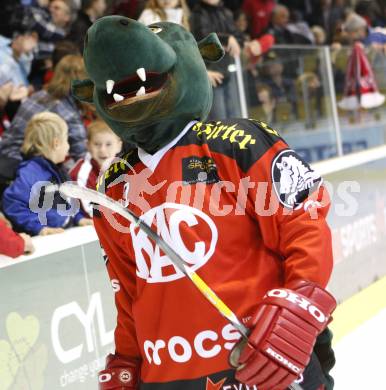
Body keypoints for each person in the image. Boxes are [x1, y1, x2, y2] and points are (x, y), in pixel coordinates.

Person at [72, 17, 336, 390]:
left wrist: (300, 304)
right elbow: (128, 288)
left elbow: (304, 223)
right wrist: (127, 358)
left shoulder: (236, 143)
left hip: (259, 364)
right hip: (167, 377)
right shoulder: (113, 184)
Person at [2, 112, 92, 236]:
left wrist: (78, 218)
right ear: (56, 143)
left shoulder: (58, 169)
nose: (68, 146)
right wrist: (39, 228)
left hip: (64, 234)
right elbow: (12, 204)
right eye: (66, 140)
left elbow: (65, 201)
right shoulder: (30, 173)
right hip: (45, 242)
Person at [0, 54, 88, 180]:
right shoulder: (68, 113)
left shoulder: (39, 95)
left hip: (4, 154)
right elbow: (82, 157)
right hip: (20, 168)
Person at [190, 0, 244, 119]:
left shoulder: (226, 12)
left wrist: (233, 40)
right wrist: (227, 39)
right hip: (211, 73)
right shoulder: (197, 14)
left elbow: (239, 38)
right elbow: (203, 37)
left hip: (229, 71)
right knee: (219, 121)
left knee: (235, 118)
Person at [70, 120, 122, 217]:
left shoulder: (122, 168)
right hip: (87, 222)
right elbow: (89, 210)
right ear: (88, 146)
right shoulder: (82, 172)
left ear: (119, 146)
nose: (102, 150)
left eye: (108, 144)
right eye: (97, 144)